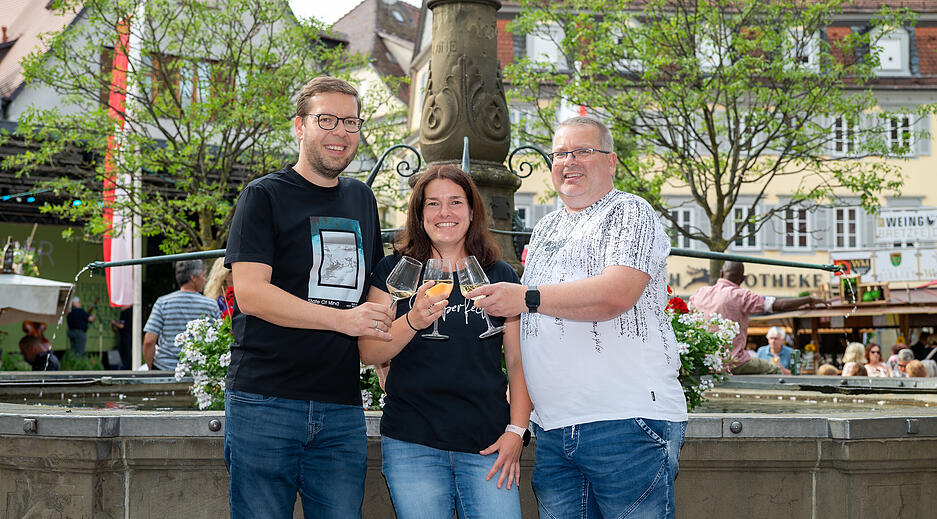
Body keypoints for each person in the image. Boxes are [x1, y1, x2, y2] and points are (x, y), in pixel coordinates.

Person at [469, 116, 686, 518]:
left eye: (583, 151)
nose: (570, 161)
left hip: (624, 420)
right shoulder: (547, 227)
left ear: (612, 162)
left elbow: (616, 294)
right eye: (560, 154)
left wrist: (525, 296)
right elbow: (530, 332)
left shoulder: (630, 211)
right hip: (553, 429)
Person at [223, 76, 391, 519]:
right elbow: (252, 294)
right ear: (300, 127)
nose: (340, 132)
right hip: (266, 401)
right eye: (327, 119)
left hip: (341, 405)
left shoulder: (362, 198)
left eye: (351, 122)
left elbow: (374, 288)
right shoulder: (263, 196)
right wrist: (343, 321)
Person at [358, 165, 532, 518]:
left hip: (487, 441)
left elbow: (517, 362)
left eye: (455, 202)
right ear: (420, 215)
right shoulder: (395, 270)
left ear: (471, 211)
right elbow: (368, 351)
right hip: (412, 441)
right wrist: (412, 320)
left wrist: (517, 431)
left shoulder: (499, 274)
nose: (445, 213)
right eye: (433, 204)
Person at [690, 261, 828, 374]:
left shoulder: (700, 292)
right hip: (732, 363)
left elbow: (687, 315)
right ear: (743, 278)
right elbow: (778, 305)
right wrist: (808, 299)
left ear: (721, 273)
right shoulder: (741, 295)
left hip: (703, 362)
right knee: (776, 371)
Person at [143, 259, 220, 371]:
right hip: (198, 372)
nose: (205, 280)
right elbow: (218, 340)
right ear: (193, 278)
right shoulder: (211, 305)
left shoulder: (163, 302)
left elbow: (149, 341)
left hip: (164, 369)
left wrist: (150, 367)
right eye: (203, 275)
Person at [110, 305, 133, 369]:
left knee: (125, 352)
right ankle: (128, 367)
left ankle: (128, 367)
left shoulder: (126, 312)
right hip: (127, 335)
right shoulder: (131, 311)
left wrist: (114, 323)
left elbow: (122, 326)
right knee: (126, 352)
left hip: (126, 336)